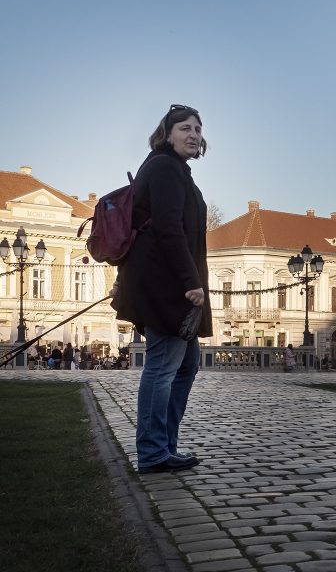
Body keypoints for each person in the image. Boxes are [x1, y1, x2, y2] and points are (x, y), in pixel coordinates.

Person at [112, 104, 212, 474]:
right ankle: (153, 452)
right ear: (167, 134)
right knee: (163, 367)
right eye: (184, 127)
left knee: (184, 365)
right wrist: (192, 283)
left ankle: (164, 445)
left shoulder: (175, 171)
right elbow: (170, 230)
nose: (193, 134)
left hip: (167, 281)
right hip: (167, 285)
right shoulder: (165, 168)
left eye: (198, 129)